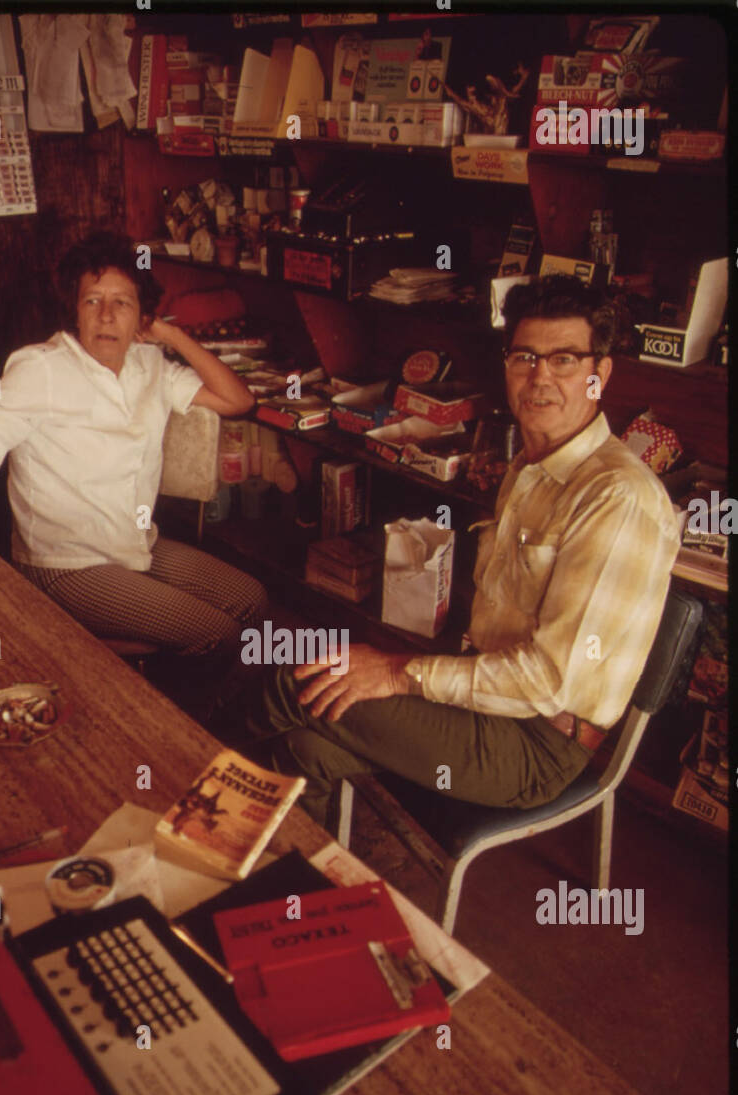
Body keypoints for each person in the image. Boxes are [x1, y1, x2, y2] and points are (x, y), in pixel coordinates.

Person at [251, 275, 681, 829]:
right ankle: (273, 878)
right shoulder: (530, 466)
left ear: (601, 375)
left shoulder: (617, 497)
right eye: (525, 356)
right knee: (307, 748)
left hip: (535, 744)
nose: (540, 378)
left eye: (566, 360)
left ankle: (178, 774)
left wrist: (400, 673)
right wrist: (406, 672)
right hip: (484, 699)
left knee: (298, 681)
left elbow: (549, 681)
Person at [0, 229, 266, 677]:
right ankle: (167, 714)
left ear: (140, 317)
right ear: (75, 310)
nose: (106, 315)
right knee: (217, 633)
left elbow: (238, 401)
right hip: (64, 564)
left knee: (251, 602)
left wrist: (169, 334)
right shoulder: (40, 368)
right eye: (92, 301)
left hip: (134, 544)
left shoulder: (151, 365)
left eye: (122, 303)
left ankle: (174, 682)